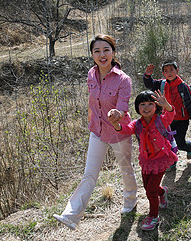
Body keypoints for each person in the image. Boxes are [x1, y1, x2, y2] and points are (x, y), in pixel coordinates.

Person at [53, 34, 137, 230]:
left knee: (126, 169)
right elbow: (93, 102)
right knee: (89, 174)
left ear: (113, 52)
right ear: (92, 55)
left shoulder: (123, 79)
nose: (102, 55)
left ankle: (130, 201)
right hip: (97, 131)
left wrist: (118, 113)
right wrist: (91, 120)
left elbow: (123, 106)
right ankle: (71, 215)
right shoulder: (91, 74)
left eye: (106, 50)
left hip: (118, 131)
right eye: (97, 51)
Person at [108, 90, 177, 231]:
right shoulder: (137, 124)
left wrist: (167, 105)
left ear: (156, 106)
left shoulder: (161, 120)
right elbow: (124, 130)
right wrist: (115, 123)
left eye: (150, 104)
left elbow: (171, 114)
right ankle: (163, 192)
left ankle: (153, 216)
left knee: (150, 191)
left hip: (160, 159)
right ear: (137, 107)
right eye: (142, 104)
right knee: (148, 186)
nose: (146, 107)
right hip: (146, 161)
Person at [143, 61, 191, 161]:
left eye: (171, 70)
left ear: (177, 71)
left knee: (180, 143)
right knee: (167, 141)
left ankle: (190, 146)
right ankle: (171, 161)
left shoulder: (183, 86)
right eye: (166, 71)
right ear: (163, 73)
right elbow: (150, 85)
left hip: (181, 120)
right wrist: (147, 75)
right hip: (167, 119)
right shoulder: (162, 84)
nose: (169, 73)